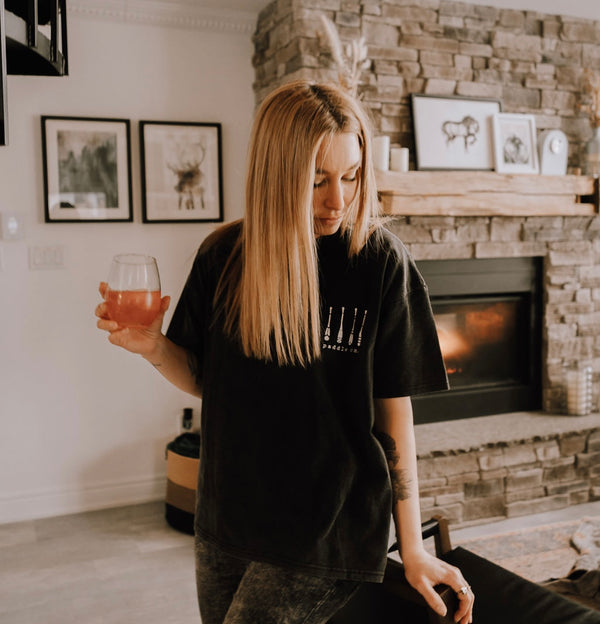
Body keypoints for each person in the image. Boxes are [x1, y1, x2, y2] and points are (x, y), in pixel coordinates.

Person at [96, 80, 474, 624]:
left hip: (328, 524)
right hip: (227, 514)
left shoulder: (380, 266)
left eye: (351, 176)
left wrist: (411, 545)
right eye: (316, 180)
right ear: (275, 175)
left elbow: (395, 413)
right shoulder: (223, 256)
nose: (337, 200)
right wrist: (153, 347)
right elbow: (208, 378)